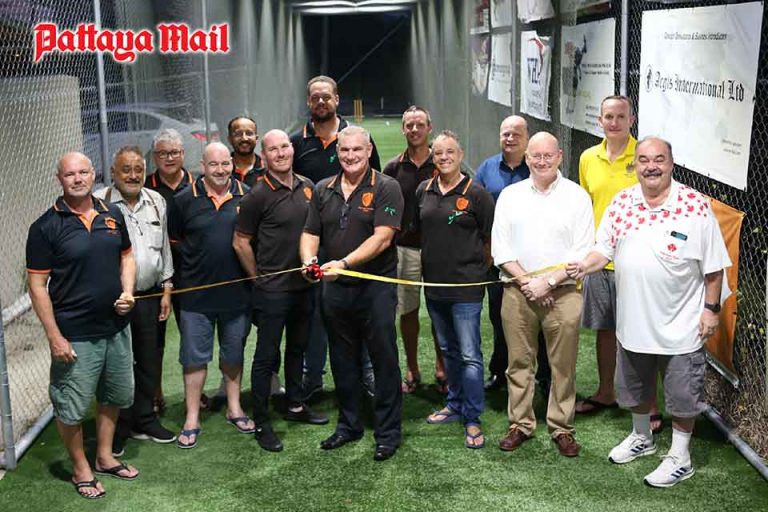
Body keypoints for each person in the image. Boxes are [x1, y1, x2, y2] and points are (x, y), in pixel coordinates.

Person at [566, 136, 730, 487]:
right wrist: (583, 265)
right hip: (633, 321)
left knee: (683, 394)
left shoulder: (695, 206)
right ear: (635, 165)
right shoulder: (622, 202)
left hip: (682, 324)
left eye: (659, 159)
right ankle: (642, 438)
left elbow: (715, 267)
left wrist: (711, 310)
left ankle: (680, 457)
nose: (651, 166)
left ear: (671, 164)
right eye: (643, 160)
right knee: (634, 386)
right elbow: (603, 250)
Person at [26, 152, 138, 499]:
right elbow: (37, 286)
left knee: (114, 395)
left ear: (93, 175)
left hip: (116, 328)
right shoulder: (45, 227)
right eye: (70, 174)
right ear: (59, 180)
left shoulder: (112, 213)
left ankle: (104, 457)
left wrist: (128, 292)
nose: (77, 179)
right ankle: (80, 468)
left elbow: (127, 257)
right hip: (74, 334)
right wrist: (54, 336)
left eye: (83, 172)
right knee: (71, 406)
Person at [299, 125, 404, 461]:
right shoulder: (322, 189)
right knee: (342, 359)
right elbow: (310, 232)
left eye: (357, 149)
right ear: (337, 152)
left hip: (375, 288)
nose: (350, 156)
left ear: (369, 150)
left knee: (383, 360)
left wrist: (344, 263)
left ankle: (388, 433)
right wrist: (308, 260)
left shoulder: (387, 187)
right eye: (344, 150)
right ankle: (349, 425)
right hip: (335, 290)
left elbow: (383, 238)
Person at [491, 132, 593, 457]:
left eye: (548, 155)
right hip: (517, 292)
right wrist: (529, 284)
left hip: (563, 294)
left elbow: (582, 251)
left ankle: (562, 428)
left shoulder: (577, 197)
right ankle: (520, 424)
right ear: (527, 158)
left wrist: (548, 283)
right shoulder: (510, 196)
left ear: (560, 156)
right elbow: (501, 250)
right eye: (535, 155)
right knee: (518, 362)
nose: (542, 161)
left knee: (563, 365)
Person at [233, 129, 329, 453]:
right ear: (265, 157)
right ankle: (262, 421)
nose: (281, 153)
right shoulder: (257, 195)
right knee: (266, 356)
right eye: (273, 149)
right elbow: (240, 242)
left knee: (298, 349)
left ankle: (296, 405)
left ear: (292, 149)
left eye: (285, 146)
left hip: (304, 287)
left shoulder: (308, 186)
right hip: (272, 291)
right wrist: (258, 279)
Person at [291, 75, 381, 399]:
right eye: (315, 97)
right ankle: (312, 381)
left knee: (362, 312)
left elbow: (374, 183)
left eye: (326, 96)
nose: (320, 102)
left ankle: (367, 377)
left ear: (337, 99)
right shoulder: (297, 142)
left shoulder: (356, 138)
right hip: (316, 242)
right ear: (308, 101)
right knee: (317, 316)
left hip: (355, 244)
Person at [576, 96, 664, 428]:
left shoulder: (644, 156)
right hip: (600, 261)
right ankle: (605, 392)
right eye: (608, 116)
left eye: (620, 116)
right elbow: (587, 205)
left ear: (631, 120)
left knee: (642, 332)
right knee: (605, 329)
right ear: (600, 120)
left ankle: (650, 402)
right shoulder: (588, 158)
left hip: (638, 261)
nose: (614, 122)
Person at [169, 142, 253, 449]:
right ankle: (192, 417)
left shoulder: (247, 195)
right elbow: (174, 243)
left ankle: (234, 408)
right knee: (194, 359)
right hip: (196, 296)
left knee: (233, 354)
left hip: (237, 294)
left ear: (232, 165)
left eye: (225, 164)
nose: (220, 170)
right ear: (202, 166)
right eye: (213, 164)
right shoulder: (183, 200)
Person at [93, 146, 176, 455]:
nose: (132, 175)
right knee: (116, 365)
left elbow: (164, 248)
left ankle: (145, 419)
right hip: (113, 300)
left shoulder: (156, 201)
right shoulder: (98, 203)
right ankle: (118, 427)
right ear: (113, 173)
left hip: (151, 294)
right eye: (125, 169)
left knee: (149, 359)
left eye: (138, 169)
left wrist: (167, 288)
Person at [415, 130, 495, 449]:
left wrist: (475, 273)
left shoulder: (477, 194)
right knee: (448, 350)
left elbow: (490, 241)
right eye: (438, 153)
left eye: (450, 151)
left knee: (469, 354)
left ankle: (473, 417)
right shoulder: (424, 190)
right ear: (432, 157)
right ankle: (455, 403)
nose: (444, 157)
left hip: (466, 290)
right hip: (434, 288)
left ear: (460, 155)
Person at [475, 115, 550, 393]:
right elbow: (476, 208)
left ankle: (545, 376)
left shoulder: (538, 168)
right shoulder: (486, 169)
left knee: (542, 320)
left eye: (516, 134)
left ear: (527, 138)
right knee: (500, 318)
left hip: (536, 259)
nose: (509, 138)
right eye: (505, 133)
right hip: (499, 260)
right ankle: (500, 372)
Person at [382, 106, 446, 394]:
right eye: (409, 125)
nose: (415, 130)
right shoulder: (393, 168)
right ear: (403, 129)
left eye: (420, 124)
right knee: (408, 311)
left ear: (429, 128)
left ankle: (442, 368)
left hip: (437, 250)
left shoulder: (443, 162)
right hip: (405, 250)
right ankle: (412, 368)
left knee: (439, 311)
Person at [145, 128, 194, 413]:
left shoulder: (197, 185)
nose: (169, 158)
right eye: (163, 153)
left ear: (183, 154)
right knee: (155, 339)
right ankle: (155, 393)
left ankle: (194, 393)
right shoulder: (145, 188)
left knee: (191, 334)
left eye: (174, 152)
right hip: (156, 275)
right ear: (155, 157)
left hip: (190, 273)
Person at [228, 115, 265, 187]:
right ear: (230, 139)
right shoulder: (222, 170)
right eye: (238, 134)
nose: (244, 138)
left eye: (249, 133)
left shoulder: (267, 170)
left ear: (256, 138)